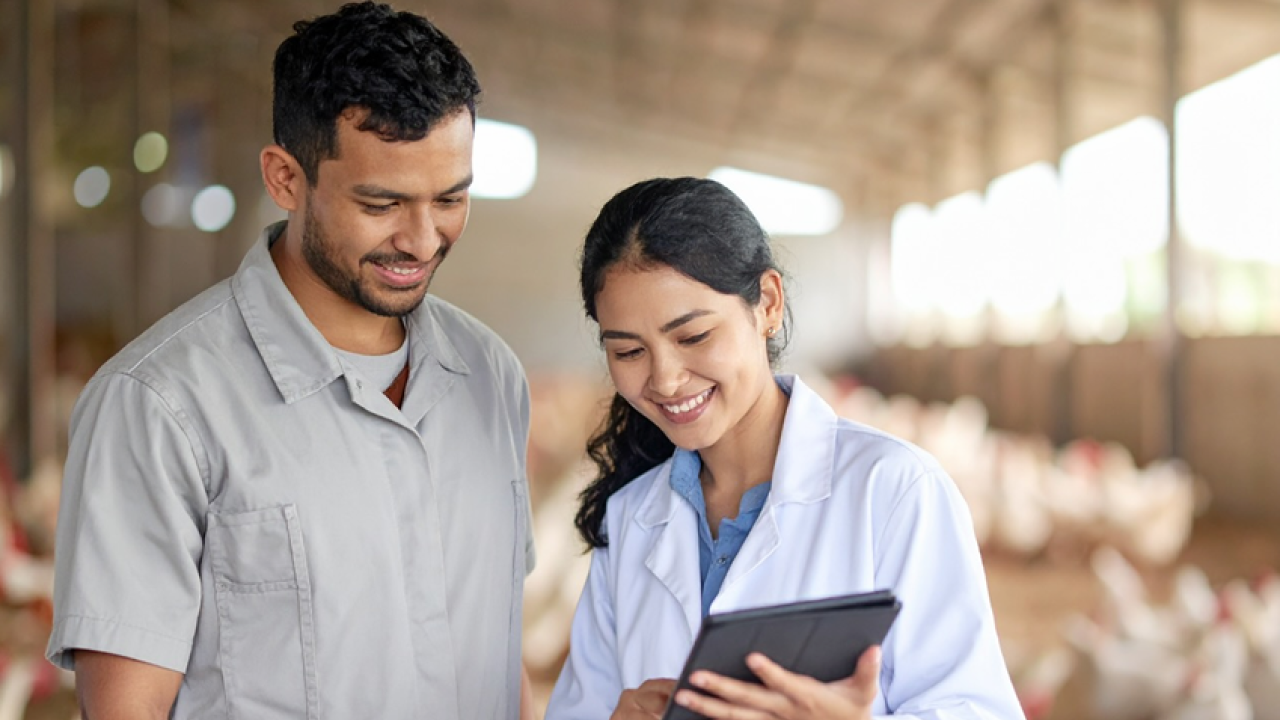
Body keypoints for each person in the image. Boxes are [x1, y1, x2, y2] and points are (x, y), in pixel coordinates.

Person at [46, 3, 537, 718]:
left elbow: (499, 649)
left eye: (451, 199)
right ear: (284, 178)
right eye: (381, 202)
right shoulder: (160, 406)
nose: (424, 239)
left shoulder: (491, 377)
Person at [544, 177, 1025, 720]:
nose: (666, 379)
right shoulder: (632, 517)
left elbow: (978, 708)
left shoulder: (893, 490)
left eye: (693, 337)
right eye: (629, 351)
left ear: (767, 304)